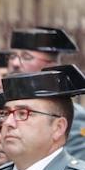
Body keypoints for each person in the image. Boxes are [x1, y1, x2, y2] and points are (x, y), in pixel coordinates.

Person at [8, 26, 85, 159]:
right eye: (12, 56)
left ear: (51, 65)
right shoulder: (0, 108)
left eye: (26, 57)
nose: (15, 63)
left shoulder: (71, 116)